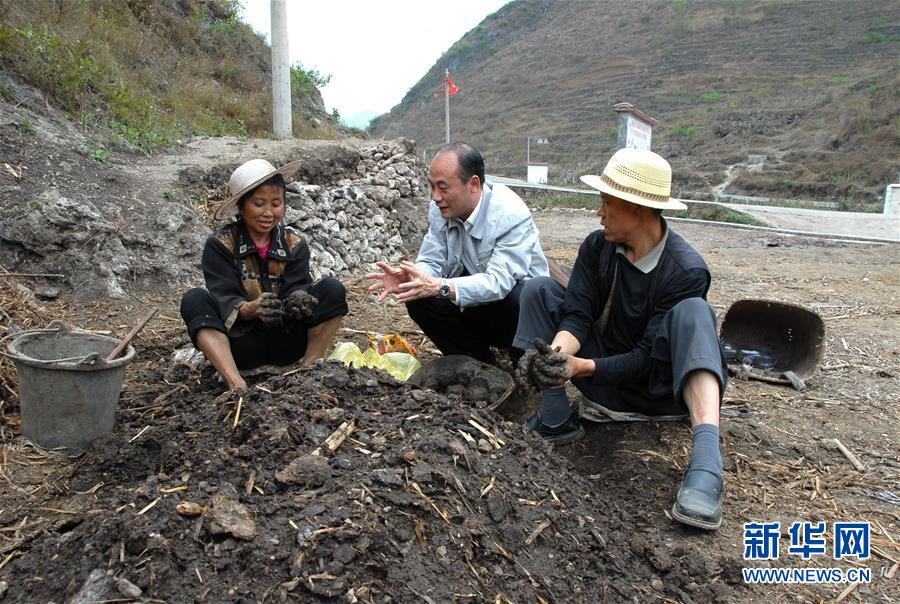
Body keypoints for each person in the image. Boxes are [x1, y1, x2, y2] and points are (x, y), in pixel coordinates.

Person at [514, 148, 728, 530]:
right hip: (602, 385)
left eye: (607, 203)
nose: (599, 213)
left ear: (639, 209)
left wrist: (581, 367)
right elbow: (577, 317)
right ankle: (556, 419)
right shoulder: (598, 247)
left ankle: (706, 466)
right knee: (538, 290)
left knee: (695, 313)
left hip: (655, 393)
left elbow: (645, 357)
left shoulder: (685, 270)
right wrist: (556, 359)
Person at [366, 142, 549, 365]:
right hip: (477, 304)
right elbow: (432, 258)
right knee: (419, 297)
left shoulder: (509, 214)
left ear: (473, 184)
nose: (435, 197)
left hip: (518, 316)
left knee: (521, 297)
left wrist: (439, 286)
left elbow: (498, 283)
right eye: (432, 187)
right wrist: (415, 276)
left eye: (443, 188)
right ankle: (479, 365)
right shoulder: (441, 209)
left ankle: (525, 367)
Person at [180, 159, 347, 390]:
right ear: (241, 207)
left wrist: (298, 299)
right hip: (241, 344)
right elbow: (223, 295)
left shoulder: (294, 244)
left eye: (276, 204)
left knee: (332, 289)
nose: (269, 213)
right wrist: (250, 309)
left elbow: (298, 284)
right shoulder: (220, 244)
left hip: (286, 342)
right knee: (194, 300)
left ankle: (308, 371)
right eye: (259, 204)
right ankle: (235, 383)